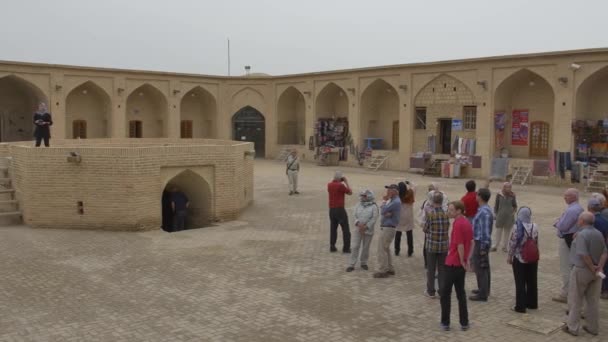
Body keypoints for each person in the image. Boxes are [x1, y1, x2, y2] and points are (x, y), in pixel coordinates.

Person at [563, 212, 608, 337]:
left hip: (582, 270)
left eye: (579, 219)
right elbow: (605, 252)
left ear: (582, 221)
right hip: (597, 272)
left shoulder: (582, 234)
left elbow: (583, 254)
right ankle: (593, 328)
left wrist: (592, 267)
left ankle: (572, 327)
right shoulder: (598, 233)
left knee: (576, 299)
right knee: (593, 301)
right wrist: (600, 267)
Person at [440, 201, 473, 331]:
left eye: (452, 210)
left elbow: (460, 245)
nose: (449, 212)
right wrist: (467, 260)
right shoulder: (466, 222)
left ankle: (445, 322)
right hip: (460, 265)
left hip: (453, 263)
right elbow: (471, 242)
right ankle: (464, 322)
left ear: (459, 211)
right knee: (461, 293)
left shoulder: (458, 224)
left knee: (445, 294)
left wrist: (463, 261)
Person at [552, 188, 584, 303]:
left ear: (574, 197)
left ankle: (566, 293)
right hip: (572, 239)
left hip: (567, 239)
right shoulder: (578, 208)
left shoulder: (572, 210)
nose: (564, 198)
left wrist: (557, 223)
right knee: (570, 266)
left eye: (567, 196)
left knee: (566, 267)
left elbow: (563, 226)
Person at [507, 207, 538, 313]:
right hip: (532, 258)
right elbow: (536, 241)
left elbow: (513, 243)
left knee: (520, 282)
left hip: (519, 257)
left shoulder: (517, 227)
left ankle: (520, 306)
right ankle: (532, 303)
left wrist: (509, 256)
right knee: (532, 281)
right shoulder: (535, 226)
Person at [424, 191, 450, 298]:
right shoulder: (446, 214)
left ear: (433, 201)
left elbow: (425, 229)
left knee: (431, 269)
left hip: (431, 246)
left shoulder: (430, 215)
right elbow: (447, 227)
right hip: (443, 246)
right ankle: (441, 291)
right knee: (442, 269)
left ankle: (431, 291)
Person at [470, 188, 493, 301]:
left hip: (481, 242)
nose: (476, 196)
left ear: (480, 197)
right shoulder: (484, 209)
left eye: (477, 194)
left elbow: (485, 231)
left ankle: (483, 294)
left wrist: (483, 247)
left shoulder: (484, 212)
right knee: (484, 266)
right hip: (481, 241)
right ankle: (483, 289)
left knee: (481, 268)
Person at [347, 190, 379, 272]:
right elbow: (354, 214)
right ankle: (351, 264)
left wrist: (366, 226)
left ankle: (363, 263)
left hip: (368, 230)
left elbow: (374, 218)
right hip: (358, 229)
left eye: (364, 196)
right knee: (354, 246)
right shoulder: (358, 204)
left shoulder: (374, 206)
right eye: (362, 195)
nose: (362, 197)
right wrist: (358, 223)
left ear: (368, 196)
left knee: (365, 247)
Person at [373, 184, 401, 278]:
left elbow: (383, 210)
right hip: (387, 227)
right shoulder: (393, 200)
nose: (387, 191)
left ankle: (382, 270)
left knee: (381, 249)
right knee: (386, 248)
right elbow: (384, 211)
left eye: (390, 190)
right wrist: (386, 210)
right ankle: (389, 268)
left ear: (395, 191)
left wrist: (384, 201)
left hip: (388, 227)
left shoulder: (396, 201)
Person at [587, 197, 608, 299]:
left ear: (589, 207)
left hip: (594, 250)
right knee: (604, 268)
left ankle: (600, 289)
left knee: (597, 270)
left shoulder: (591, 220)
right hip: (604, 248)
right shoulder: (605, 220)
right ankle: (605, 290)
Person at [327, 171, 352, 253]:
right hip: (340, 209)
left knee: (333, 228)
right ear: (341, 178)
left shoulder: (329, 185)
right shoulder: (341, 185)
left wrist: (339, 180)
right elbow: (350, 192)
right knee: (345, 229)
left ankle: (332, 246)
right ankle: (346, 248)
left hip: (331, 209)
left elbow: (334, 186)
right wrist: (346, 182)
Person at [492, 182, 517, 252]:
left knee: (507, 233)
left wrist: (513, 212)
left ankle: (504, 247)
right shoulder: (499, 195)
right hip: (500, 216)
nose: (508, 189)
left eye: (509, 187)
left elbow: (515, 205)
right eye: (507, 187)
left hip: (509, 217)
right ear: (504, 187)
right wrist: (495, 214)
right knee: (498, 232)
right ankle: (495, 246)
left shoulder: (512, 195)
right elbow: (496, 205)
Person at [395, 181, 415, 257]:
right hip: (408, 216)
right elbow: (414, 186)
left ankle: (397, 250)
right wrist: (409, 183)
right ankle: (410, 251)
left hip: (400, 216)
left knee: (398, 233)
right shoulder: (410, 193)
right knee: (409, 233)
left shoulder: (397, 196)